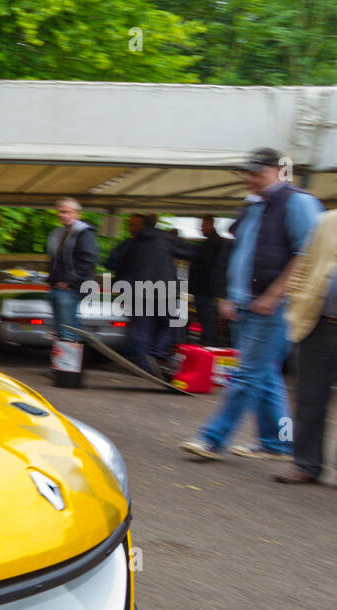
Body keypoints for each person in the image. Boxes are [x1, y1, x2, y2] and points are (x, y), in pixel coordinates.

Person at [180, 148, 322, 462]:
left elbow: (307, 254)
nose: (249, 177)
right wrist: (231, 296)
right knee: (266, 375)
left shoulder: (297, 202)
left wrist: (274, 295)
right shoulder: (253, 206)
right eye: (247, 172)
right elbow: (239, 253)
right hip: (248, 304)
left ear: (278, 171)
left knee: (247, 375)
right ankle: (278, 443)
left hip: (274, 306)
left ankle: (211, 438)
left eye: (256, 172)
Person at [272, 208, 337, 483]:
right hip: (318, 323)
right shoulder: (326, 221)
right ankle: (306, 465)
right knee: (310, 397)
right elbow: (304, 265)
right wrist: (297, 303)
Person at [113, 213, 181, 378]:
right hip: (165, 289)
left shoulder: (133, 244)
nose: (131, 227)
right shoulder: (165, 240)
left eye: (133, 224)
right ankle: (156, 354)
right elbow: (190, 252)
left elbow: (121, 266)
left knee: (142, 329)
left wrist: (122, 289)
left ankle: (146, 365)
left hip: (141, 290)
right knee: (168, 324)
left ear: (141, 226)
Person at [45, 197, 99, 343]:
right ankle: (65, 362)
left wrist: (69, 282)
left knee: (67, 328)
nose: (62, 215)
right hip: (59, 286)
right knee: (62, 327)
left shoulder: (83, 233)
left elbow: (88, 260)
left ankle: (69, 362)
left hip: (70, 287)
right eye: (60, 212)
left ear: (76, 214)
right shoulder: (59, 233)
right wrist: (53, 280)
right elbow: (55, 260)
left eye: (66, 212)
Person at [188, 215, 230, 347]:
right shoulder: (214, 243)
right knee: (207, 323)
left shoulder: (212, 244)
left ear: (210, 224)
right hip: (208, 289)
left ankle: (208, 348)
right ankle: (208, 346)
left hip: (207, 290)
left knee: (207, 323)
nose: (201, 228)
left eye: (203, 225)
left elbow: (206, 267)